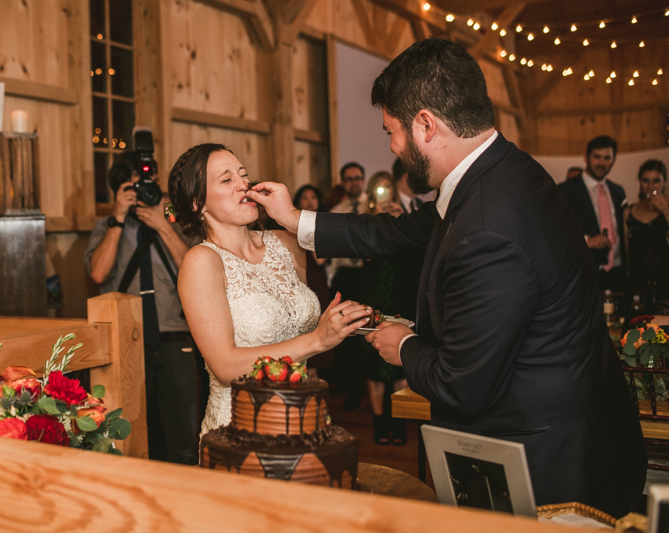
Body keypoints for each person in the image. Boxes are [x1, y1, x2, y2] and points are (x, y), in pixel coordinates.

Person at [247, 37, 646, 517]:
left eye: (391, 131)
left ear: (426, 125)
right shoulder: (500, 170)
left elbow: (465, 385)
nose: (392, 145)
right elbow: (395, 233)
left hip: (550, 464)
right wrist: (296, 220)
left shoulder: (487, 226)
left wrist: (403, 344)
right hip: (578, 425)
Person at [167, 144, 370, 437]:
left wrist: (339, 322)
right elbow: (225, 366)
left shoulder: (286, 244)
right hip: (242, 429)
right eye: (227, 180)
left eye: (243, 175)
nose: (243, 185)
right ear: (198, 202)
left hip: (306, 415)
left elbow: (295, 321)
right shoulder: (202, 262)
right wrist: (317, 340)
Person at [84, 152, 198, 465]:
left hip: (176, 336)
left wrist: (162, 225)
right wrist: (118, 219)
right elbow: (98, 273)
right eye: (133, 188)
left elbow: (196, 269)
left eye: (149, 183)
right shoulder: (106, 226)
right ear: (118, 192)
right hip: (125, 341)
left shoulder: (175, 219)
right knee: (126, 437)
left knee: (185, 438)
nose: (144, 192)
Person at [357, 171, 409, 445]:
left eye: (388, 188)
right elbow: (364, 254)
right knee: (374, 366)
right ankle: (379, 423)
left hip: (399, 293)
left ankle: (399, 425)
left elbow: (412, 254)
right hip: (374, 294)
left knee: (400, 365)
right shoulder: (366, 221)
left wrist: (400, 221)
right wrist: (377, 220)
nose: (384, 193)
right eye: (379, 189)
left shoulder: (405, 218)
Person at [559, 136, 628, 291]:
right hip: (583, 274)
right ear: (586, 157)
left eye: (607, 158)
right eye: (597, 157)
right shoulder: (565, 191)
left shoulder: (618, 191)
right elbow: (554, 230)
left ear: (614, 160)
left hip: (618, 273)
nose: (601, 163)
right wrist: (587, 240)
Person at [328, 162, 368, 410]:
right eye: (349, 179)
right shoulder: (335, 212)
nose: (354, 182)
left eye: (358, 178)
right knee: (349, 333)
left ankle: (372, 386)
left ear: (363, 180)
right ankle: (353, 390)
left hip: (368, 273)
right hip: (346, 275)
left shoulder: (374, 208)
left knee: (370, 327)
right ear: (343, 182)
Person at [292, 185, 333, 377]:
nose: (310, 202)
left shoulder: (323, 225)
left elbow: (320, 258)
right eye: (305, 198)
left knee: (318, 327)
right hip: (298, 280)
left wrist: (312, 229)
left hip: (316, 281)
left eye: (313, 197)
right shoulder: (290, 226)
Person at [625, 159, 669, 312]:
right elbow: (625, 255)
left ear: (664, 181)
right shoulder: (629, 212)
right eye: (646, 181)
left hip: (665, 288)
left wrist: (665, 210)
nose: (651, 186)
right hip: (638, 289)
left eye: (656, 181)